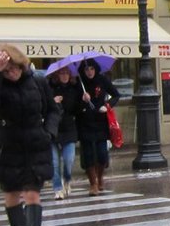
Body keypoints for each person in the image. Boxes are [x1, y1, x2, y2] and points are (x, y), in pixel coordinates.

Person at [0, 45, 59, 226]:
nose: (12, 73)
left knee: (32, 194)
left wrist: (49, 133)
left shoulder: (37, 81)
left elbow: (53, 110)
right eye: (6, 70)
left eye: (14, 68)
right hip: (8, 144)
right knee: (12, 195)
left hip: (35, 143)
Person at [78, 58, 119, 197]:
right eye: (86, 69)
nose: (89, 72)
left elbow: (116, 95)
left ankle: (100, 177)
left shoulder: (102, 80)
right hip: (85, 122)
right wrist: (82, 100)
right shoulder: (80, 83)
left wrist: (107, 106)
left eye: (91, 69)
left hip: (100, 121)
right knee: (88, 154)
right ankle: (93, 183)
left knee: (102, 153)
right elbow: (73, 104)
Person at [46, 66, 82, 199]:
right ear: (57, 75)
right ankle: (57, 188)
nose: (65, 76)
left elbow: (78, 109)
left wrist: (84, 100)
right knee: (55, 162)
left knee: (68, 160)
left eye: (67, 73)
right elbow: (42, 106)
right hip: (53, 128)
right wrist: (52, 102)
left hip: (69, 128)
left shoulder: (74, 89)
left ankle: (67, 179)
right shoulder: (50, 89)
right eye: (62, 73)